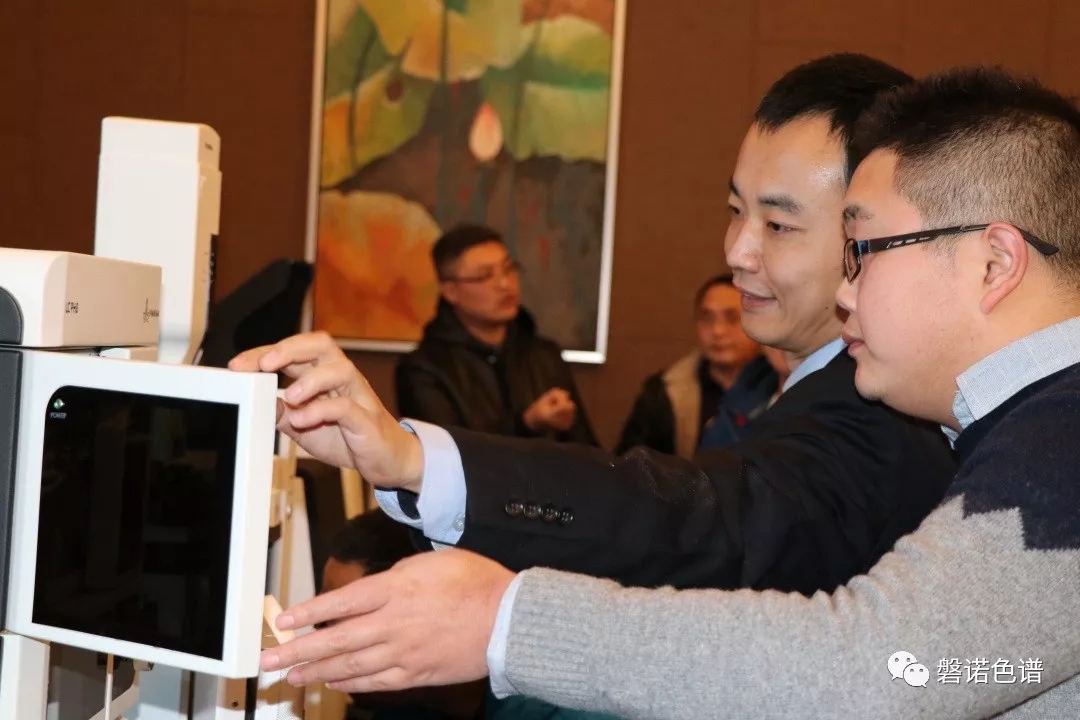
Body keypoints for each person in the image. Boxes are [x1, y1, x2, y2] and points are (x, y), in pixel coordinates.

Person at [255, 66, 1080, 718]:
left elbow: (886, 669)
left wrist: (507, 620)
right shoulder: (1016, 432)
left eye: (862, 248)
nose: (845, 286)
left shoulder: (1056, 449)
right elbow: (953, 669)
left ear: (994, 262)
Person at [395, 224, 597, 446]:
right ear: (451, 291)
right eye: (484, 276)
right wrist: (527, 424)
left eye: (509, 269)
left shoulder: (544, 355)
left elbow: (587, 448)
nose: (505, 284)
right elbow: (445, 454)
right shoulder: (423, 369)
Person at [614, 274, 776, 457]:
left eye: (732, 318)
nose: (718, 331)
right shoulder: (665, 393)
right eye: (707, 318)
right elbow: (631, 463)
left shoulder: (780, 383)